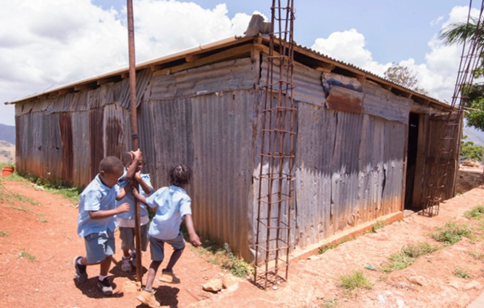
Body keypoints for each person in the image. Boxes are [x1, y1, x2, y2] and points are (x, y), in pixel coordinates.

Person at [73, 150, 141, 296]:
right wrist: (118, 211)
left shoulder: (111, 182)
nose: (118, 181)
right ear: (103, 173)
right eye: (115, 179)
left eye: (119, 179)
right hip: (93, 228)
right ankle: (80, 262)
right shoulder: (94, 190)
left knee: (109, 254)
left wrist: (129, 185)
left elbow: (118, 195)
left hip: (107, 226)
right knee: (95, 258)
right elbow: (93, 214)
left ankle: (103, 278)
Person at [133, 164, 201, 308]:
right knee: (180, 246)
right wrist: (192, 234)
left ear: (170, 177)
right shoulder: (184, 197)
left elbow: (149, 202)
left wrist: (136, 195)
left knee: (156, 261)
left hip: (155, 231)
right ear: (188, 181)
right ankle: (168, 271)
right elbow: (186, 215)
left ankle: (147, 291)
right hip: (171, 232)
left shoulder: (163, 191)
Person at [116, 151, 154, 272]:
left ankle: (136, 255)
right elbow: (126, 179)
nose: (138, 166)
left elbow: (150, 192)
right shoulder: (122, 176)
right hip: (125, 217)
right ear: (126, 165)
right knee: (126, 241)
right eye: (133, 163)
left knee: (143, 240)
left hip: (142, 216)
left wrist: (140, 180)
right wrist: (132, 178)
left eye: (140, 163)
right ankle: (126, 257)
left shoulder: (145, 177)